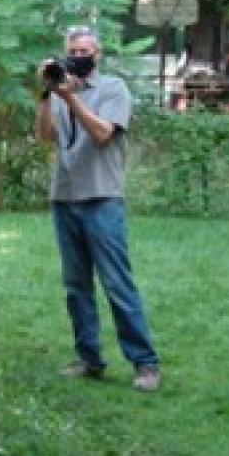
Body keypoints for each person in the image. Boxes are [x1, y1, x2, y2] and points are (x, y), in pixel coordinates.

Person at [35, 25, 161, 392]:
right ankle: (90, 359)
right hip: (65, 197)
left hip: (102, 198)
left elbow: (104, 134)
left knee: (117, 284)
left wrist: (73, 99)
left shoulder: (113, 89)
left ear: (98, 53)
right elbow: (46, 135)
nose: (77, 56)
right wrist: (47, 93)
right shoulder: (59, 90)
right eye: (72, 50)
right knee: (76, 286)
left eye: (84, 50)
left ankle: (145, 363)